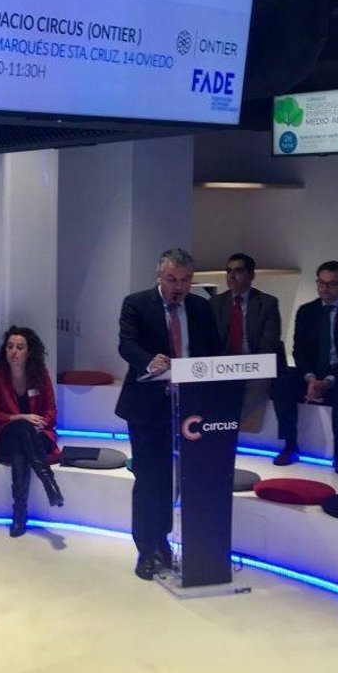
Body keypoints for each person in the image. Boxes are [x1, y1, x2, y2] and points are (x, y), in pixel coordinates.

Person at [117, 248, 222, 580]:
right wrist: (149, 361)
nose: (179, 287)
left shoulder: (201, 308)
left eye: (185, 280)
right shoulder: (136, 303)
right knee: (150, 479)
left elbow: (212, 352)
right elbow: (126, 344)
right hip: (148, 407)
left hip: (189, 409)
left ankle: (163, 541)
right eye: (172, 279)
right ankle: (146, 548)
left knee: (174, 481)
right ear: (159, 276)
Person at [280, 261, 338, 475]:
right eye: (321, 283)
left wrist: (328, 380)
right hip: (314, 371)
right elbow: (299, 350)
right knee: (283, 382)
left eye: (331, 284)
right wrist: (311, 378)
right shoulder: (306, 311)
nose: (325, 288)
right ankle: (289, 445)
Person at [0, 326, 63, 538]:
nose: (14, 352)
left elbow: (51, 411)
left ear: (29, 352)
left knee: (21, 450)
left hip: (38, 435)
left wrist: (39, 423)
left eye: (20, 347)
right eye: (10, 346)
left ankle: (19, 513)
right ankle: (49, 483)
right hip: (7, 434)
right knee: (21, 428)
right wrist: (21, 418)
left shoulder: (40, 375)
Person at [208, 253, 286, 433]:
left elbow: (269, 343)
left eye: (238, 271)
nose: (231, 276)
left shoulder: (267, 303)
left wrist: (248, 366)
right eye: (228, 271)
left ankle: (236, 427)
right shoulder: (215, 303)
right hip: (225, 364)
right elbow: (212, 341)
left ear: (251, 275)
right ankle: (218, 432)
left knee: (260, 384)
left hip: (256, 363)